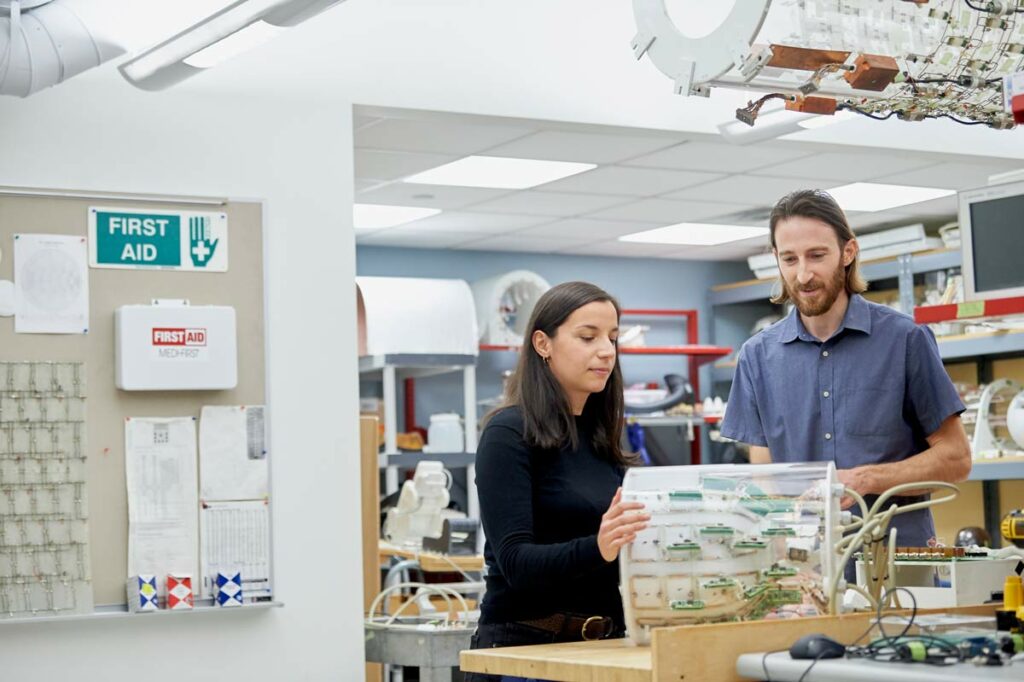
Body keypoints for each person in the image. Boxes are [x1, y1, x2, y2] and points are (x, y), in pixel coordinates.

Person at [721, 189, 972, 569]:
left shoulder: (905, 340)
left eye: (817, 255)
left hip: (897, 567)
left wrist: (865, 479)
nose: (803, 274)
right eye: (789, 259)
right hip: (804, 570)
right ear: (777, 259)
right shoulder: (757, 356)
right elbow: (766, 476)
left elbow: (956, 459)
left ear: (848, 252)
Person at [465, 281, 649, 682]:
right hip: (524, 652)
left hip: (602, 648)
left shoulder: (601, 438)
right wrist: (599, 547)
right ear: (542, 343)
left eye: (613, 338)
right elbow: (515, 562)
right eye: (588, 337)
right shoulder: (508, 433)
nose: (606, 351)